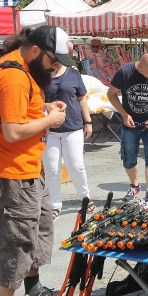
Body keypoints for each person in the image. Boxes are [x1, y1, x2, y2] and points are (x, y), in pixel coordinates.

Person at [0, 25, 70, 296]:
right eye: (53, 62)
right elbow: (12, 131)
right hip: (12, 170)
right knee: (16, 237)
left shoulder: (23, 68)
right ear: (35, 51)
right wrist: (50, 119)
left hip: (28, 166)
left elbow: (15, 111)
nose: (55, 68)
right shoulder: (13, 75)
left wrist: (42, 108)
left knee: (38, 227)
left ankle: (33, 290)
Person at [107, 52, 148, 201]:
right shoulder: (125, 72)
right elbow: (111, 94)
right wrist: (124, 114)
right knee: (128, 158)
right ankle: (135, 185)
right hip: (130, 123)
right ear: (140, 66)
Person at [42, 60, 93, 221]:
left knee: (76, 165)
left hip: (73, 127)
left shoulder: (73, 73)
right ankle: (54, 205)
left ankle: (85, 196)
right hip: (49, 129)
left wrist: (88, 121)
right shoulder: (41, 75)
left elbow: (81, 98)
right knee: (52, 169)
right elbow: (35, 100)